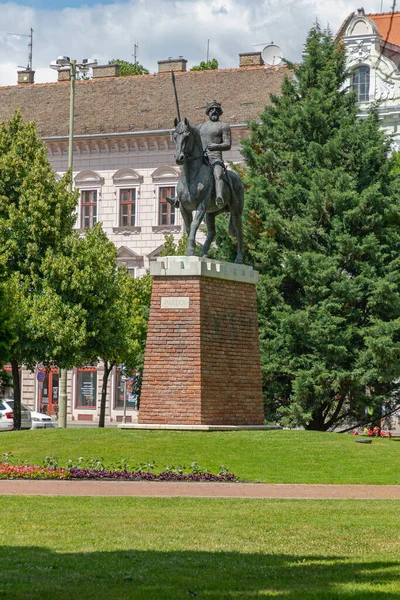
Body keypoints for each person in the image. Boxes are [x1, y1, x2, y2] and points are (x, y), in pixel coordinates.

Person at [198, 101, 232, 207]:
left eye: (216, 110)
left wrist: (216, 146)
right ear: (208, 112)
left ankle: (219, 196)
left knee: (218, 174)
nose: (214, 112)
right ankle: (178, 198)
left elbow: (228, 144)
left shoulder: (223, 126)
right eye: (211, 109)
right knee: (188, 171)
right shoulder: (200, 127)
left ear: (219, 112)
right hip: (202, 158)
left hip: (215, 157)